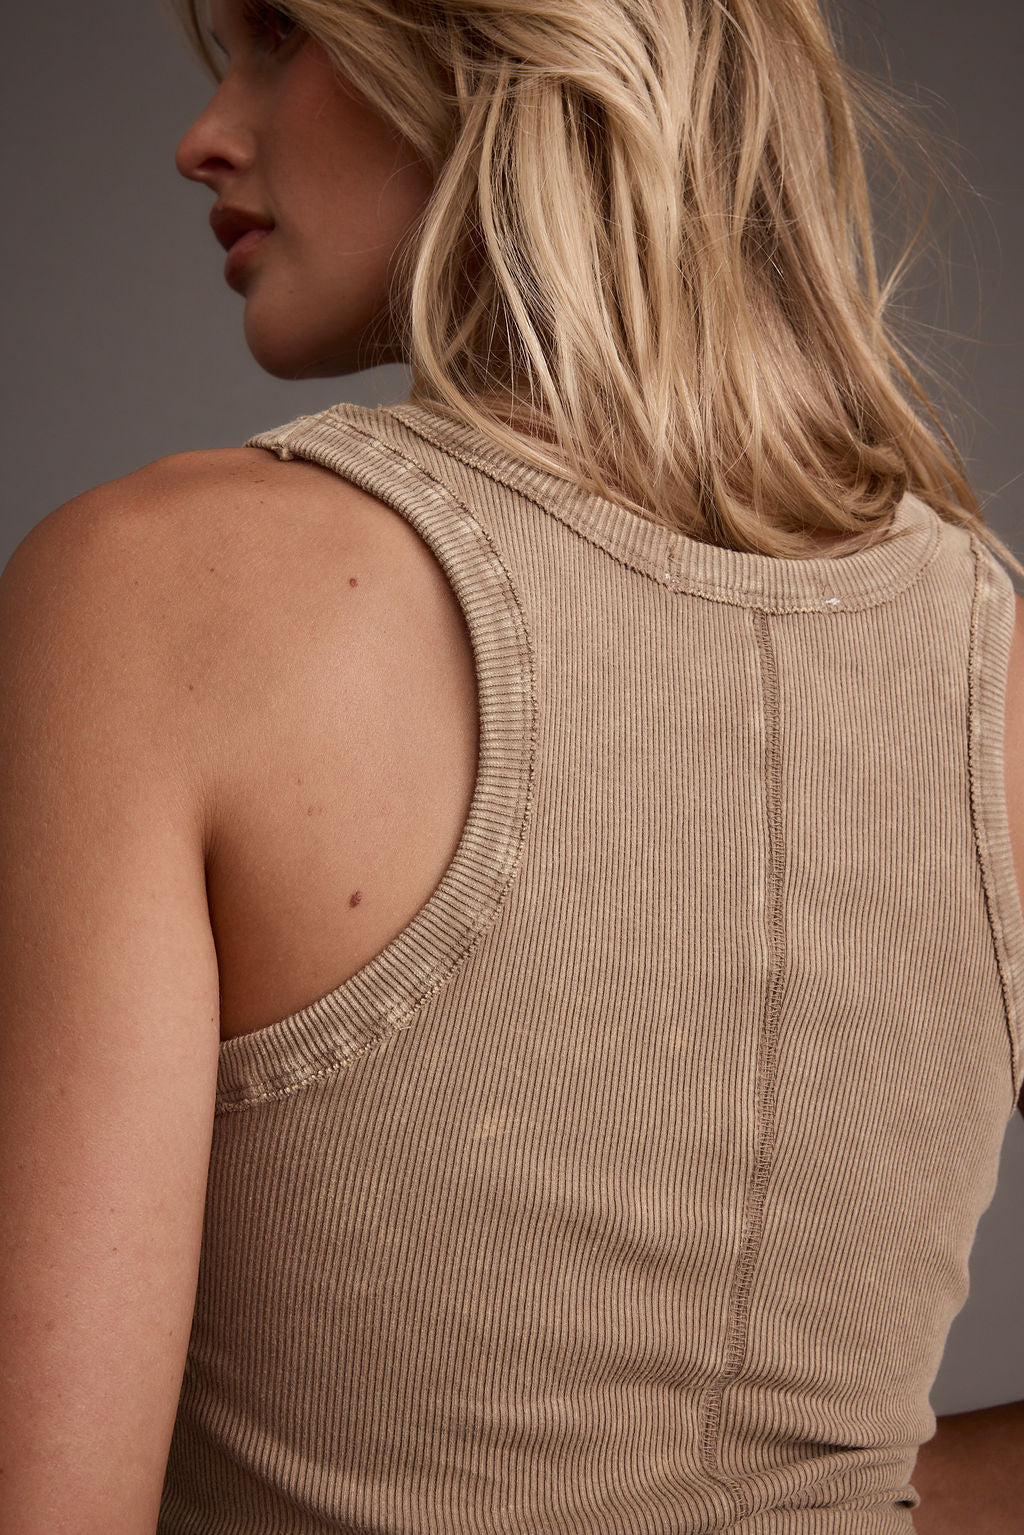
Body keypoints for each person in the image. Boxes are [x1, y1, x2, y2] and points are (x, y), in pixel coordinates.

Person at [0, 0, 1021, 1529]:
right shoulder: (992, 660)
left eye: (281, 36)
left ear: (511, 52)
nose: (204, 137)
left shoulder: (155, 593)